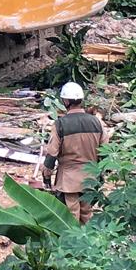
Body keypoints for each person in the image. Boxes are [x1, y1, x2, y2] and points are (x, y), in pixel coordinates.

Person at [42, 82, 106, 224]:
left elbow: (51, 155)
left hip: (68, 181)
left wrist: (46, 178)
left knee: (70, 219)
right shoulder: (97, 122)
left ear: (65, 101)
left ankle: (71, 246)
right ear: (81, 100)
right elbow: (105, 152)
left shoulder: (60, 124)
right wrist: (101, 175)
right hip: (91, 178)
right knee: (87, 216)